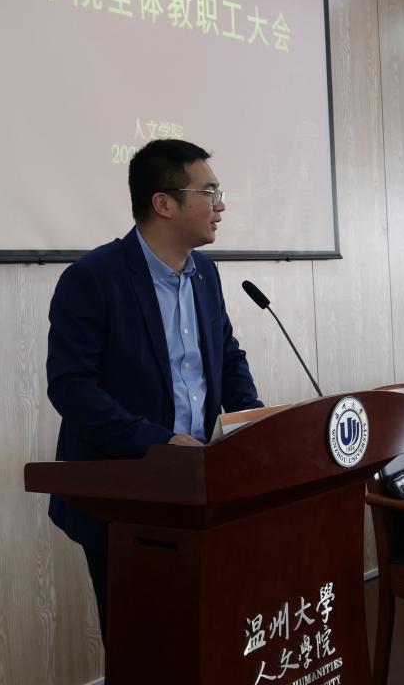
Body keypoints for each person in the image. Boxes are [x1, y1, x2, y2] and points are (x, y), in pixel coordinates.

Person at [46, 139, 262, 641]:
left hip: (200, 483)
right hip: (123, 493)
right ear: (164, 203)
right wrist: (159, 442)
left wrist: (252, 422)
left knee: (204, 635)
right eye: (209, 192)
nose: (221, 205)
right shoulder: (92, 278)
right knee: (142, 644)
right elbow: (72, 388)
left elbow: (226, 356)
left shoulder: (205, 272)